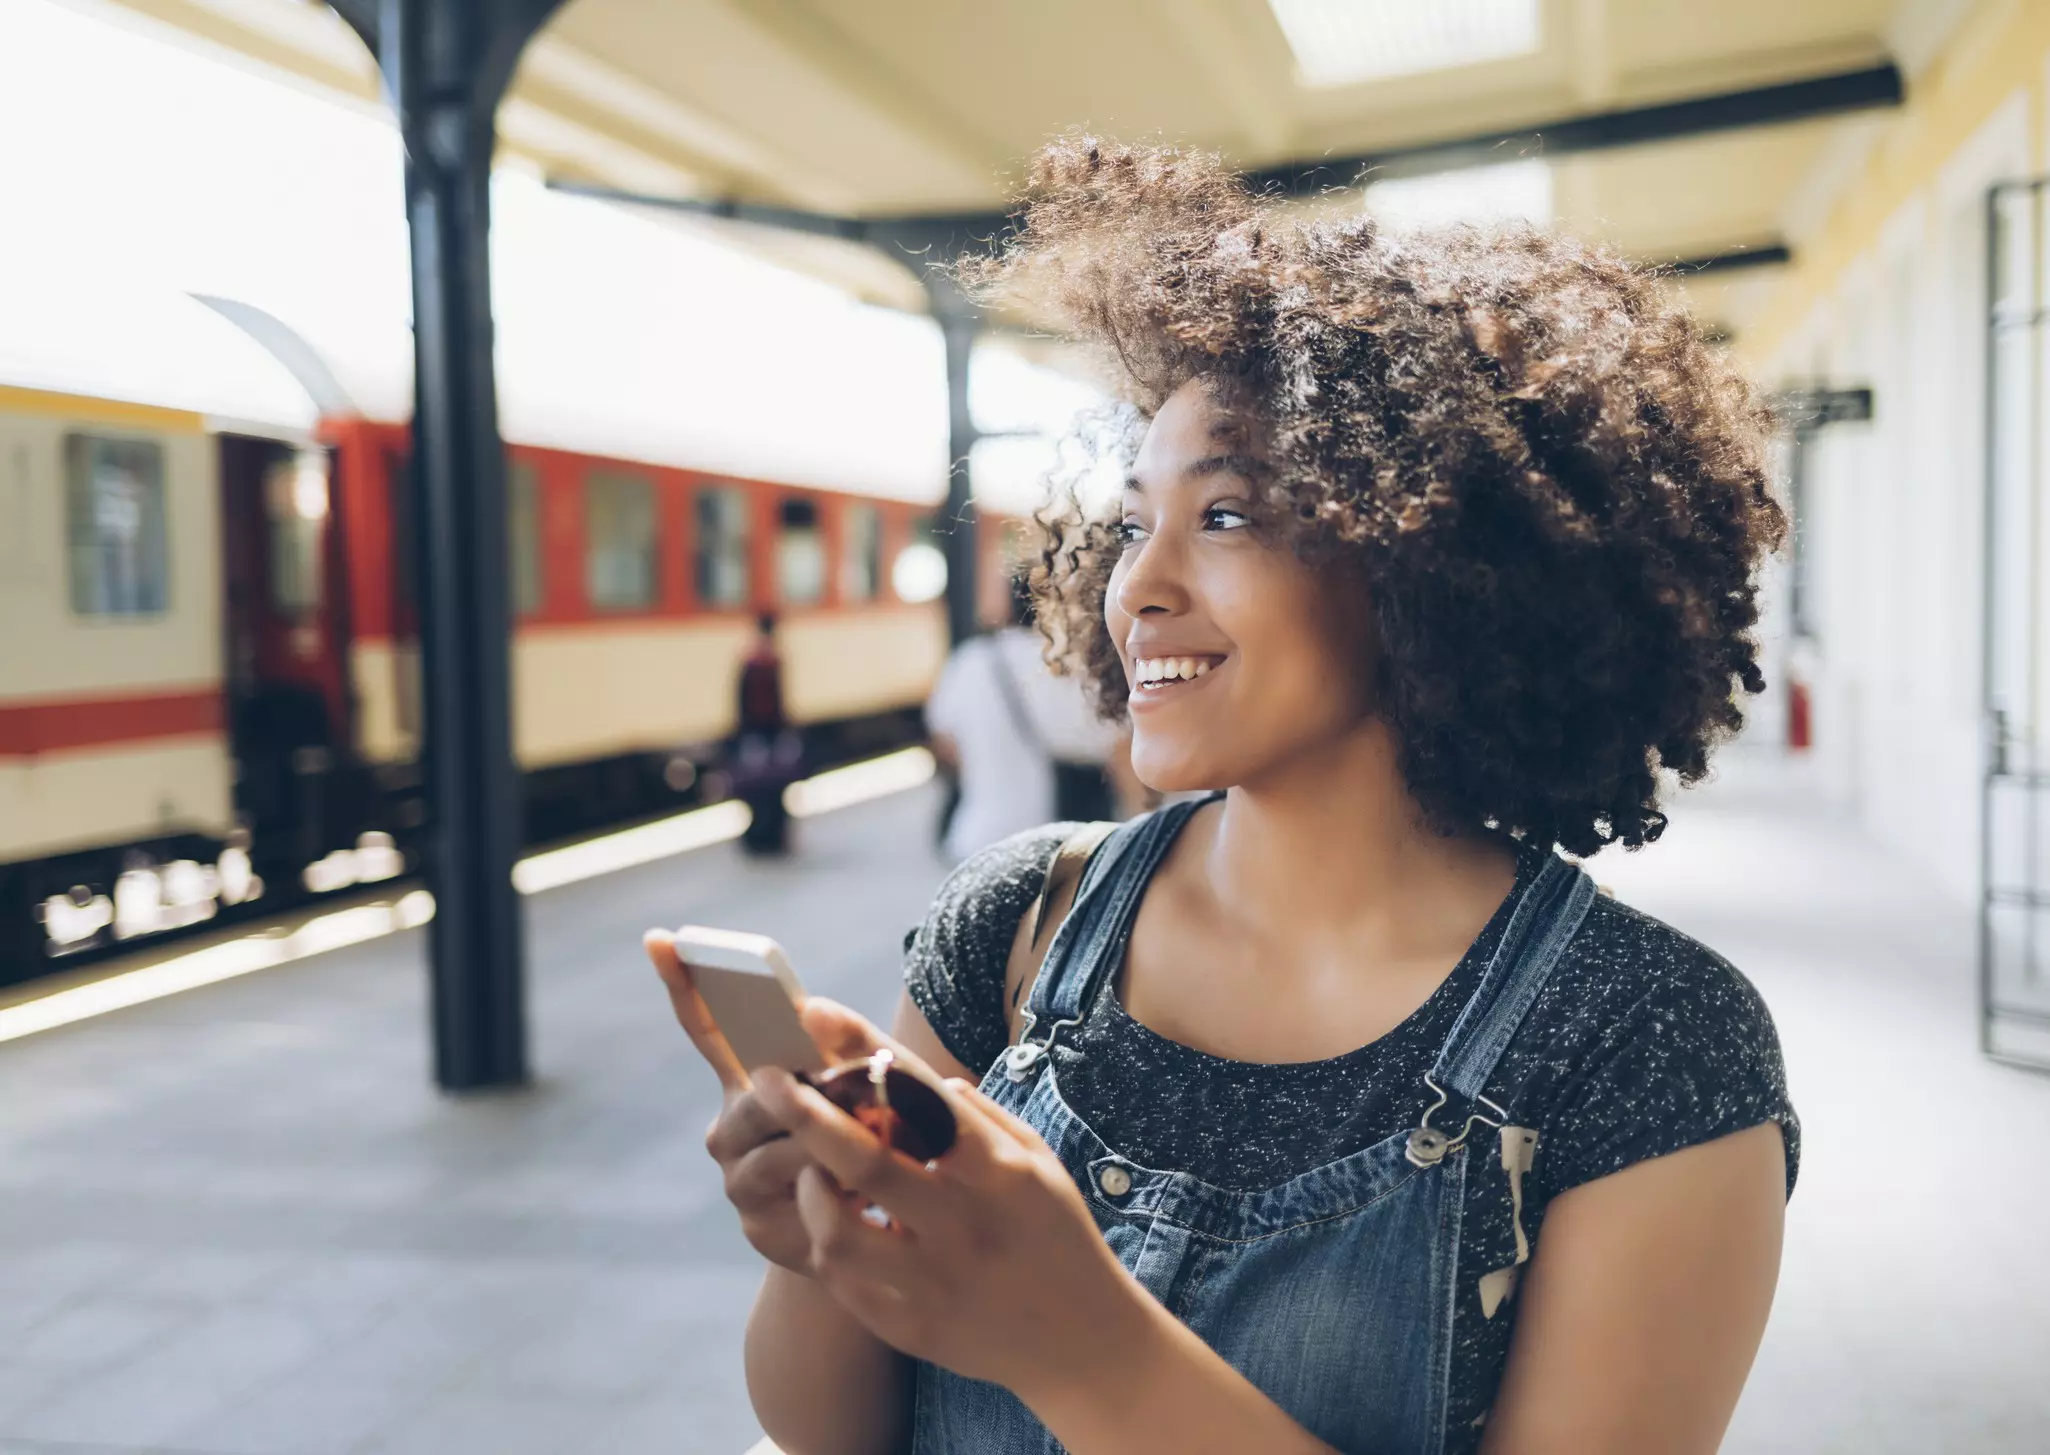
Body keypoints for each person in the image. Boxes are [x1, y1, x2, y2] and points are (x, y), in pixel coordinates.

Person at [650, 136, 1796, 1455]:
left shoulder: (1650, 1042)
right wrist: (816, 1241)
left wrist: (1080, 1342)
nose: (1134, 585)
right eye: (1135, 518)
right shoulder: (1018, 922)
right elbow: (822, 1430)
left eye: (1231, 515)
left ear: (1437, 556)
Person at [926, 568, 1132, 861]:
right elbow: (1114, 745)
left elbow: (944, 742)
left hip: (975, 839)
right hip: (1051, 849)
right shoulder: (1061, 666)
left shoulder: (970, 659)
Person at [732, 611, 799, 856]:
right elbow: (779, 704)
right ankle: (771, 839)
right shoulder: (770, 661)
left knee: (759, 788)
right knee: (772, 789)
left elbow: (740, 704)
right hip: (769, 734)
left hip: (757, 734)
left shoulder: (752, 662)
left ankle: (761, 840)